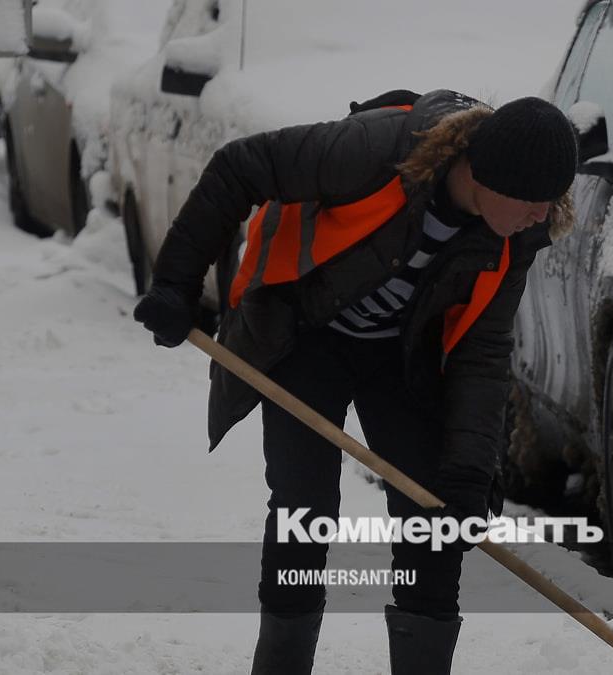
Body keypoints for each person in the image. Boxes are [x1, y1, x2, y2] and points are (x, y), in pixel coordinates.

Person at [132, 89, 577, 675]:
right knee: (303, 507)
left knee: (437, 517)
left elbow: (482, 352)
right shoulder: (375, 151)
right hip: (306, 329)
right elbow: (241, 166)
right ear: (488, 177)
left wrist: (471, 474)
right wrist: (175, 284)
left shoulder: (514, 237)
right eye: (536, 201)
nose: (544, 215)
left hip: (402, 353)